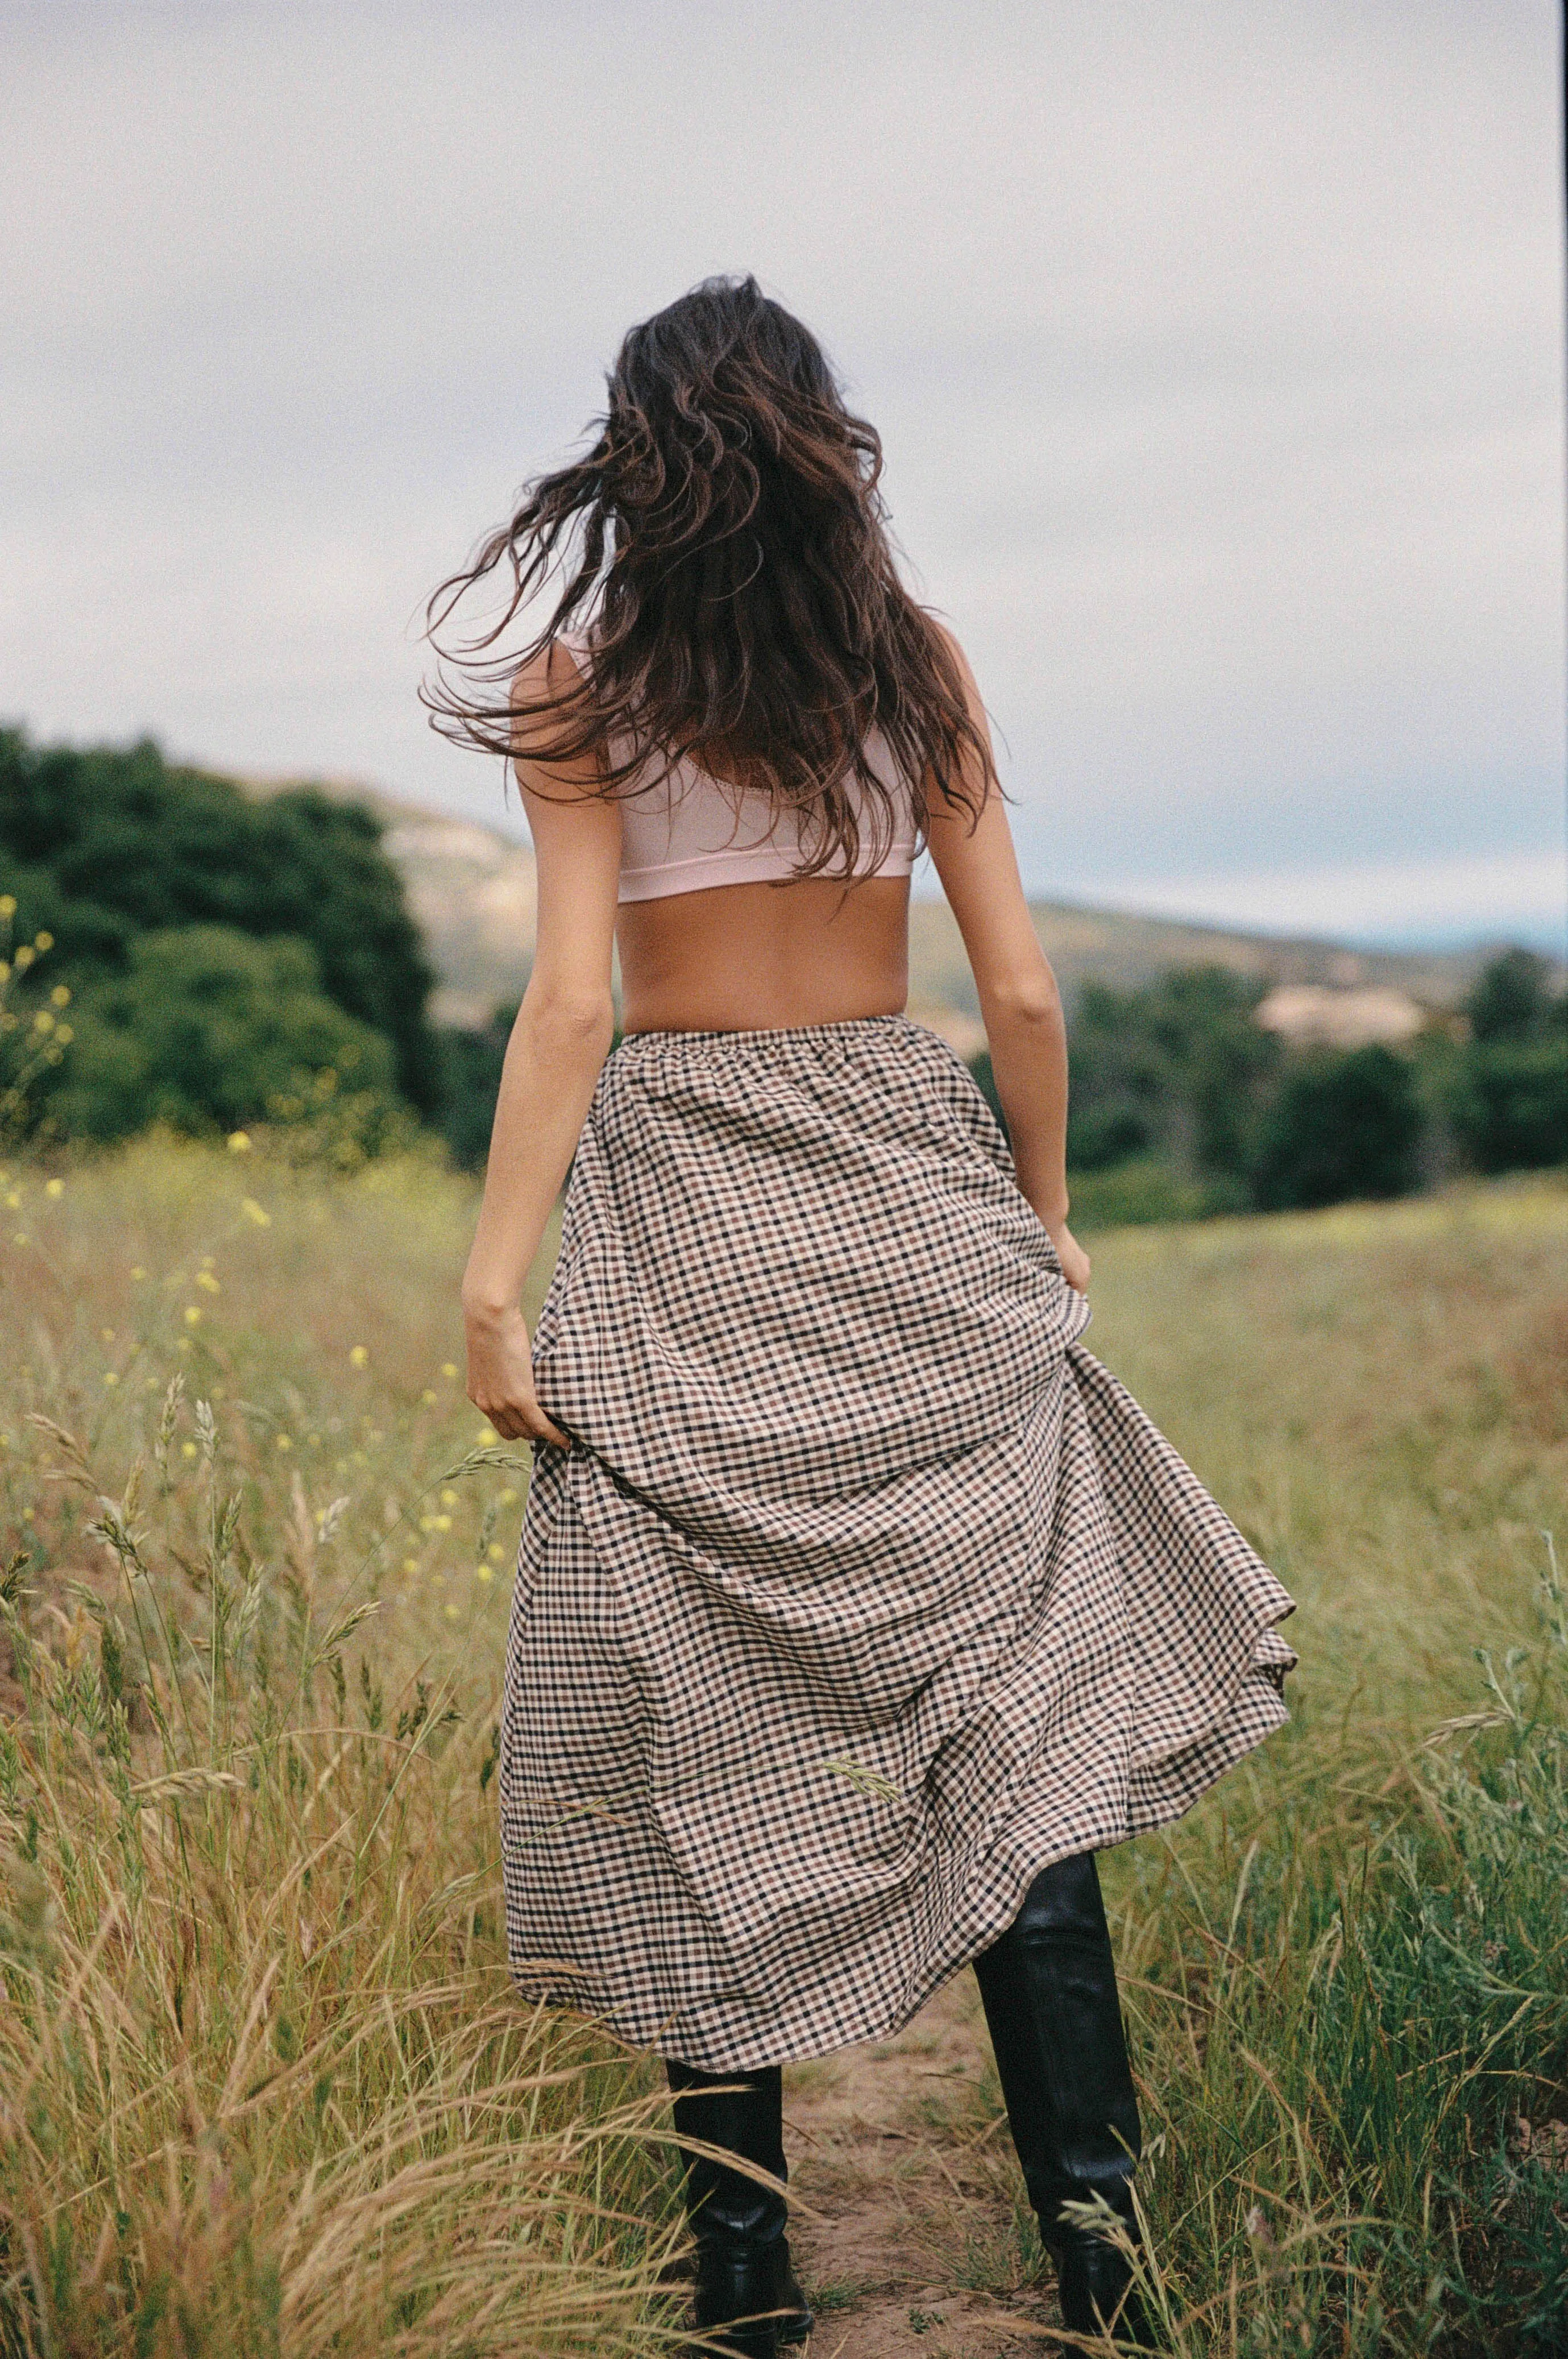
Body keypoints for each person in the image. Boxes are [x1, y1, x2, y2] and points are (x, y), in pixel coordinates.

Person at [428, 276, 1296, 2358]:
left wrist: (489, 1283)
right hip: (906, 1177)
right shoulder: (914, 671)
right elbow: (1016, 994)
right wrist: (1045, 1216)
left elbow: (567, 1000)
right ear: (826, 450)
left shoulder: (578, 686)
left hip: (685, 1192)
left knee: (671, 1721)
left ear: (638, 463)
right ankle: (1109, 2270)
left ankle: (742, 2288)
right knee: (1011, 1713)